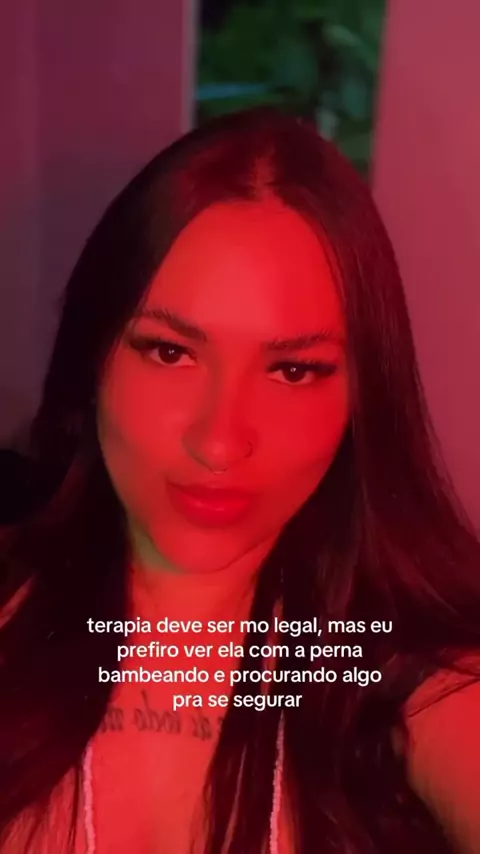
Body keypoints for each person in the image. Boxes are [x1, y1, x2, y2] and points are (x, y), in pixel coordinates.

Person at [1, 107, 480, 854]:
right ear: (94, 359)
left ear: (363, 398)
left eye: (293, 370)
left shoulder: (403, 672)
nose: (220, 443)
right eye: (170, 352)